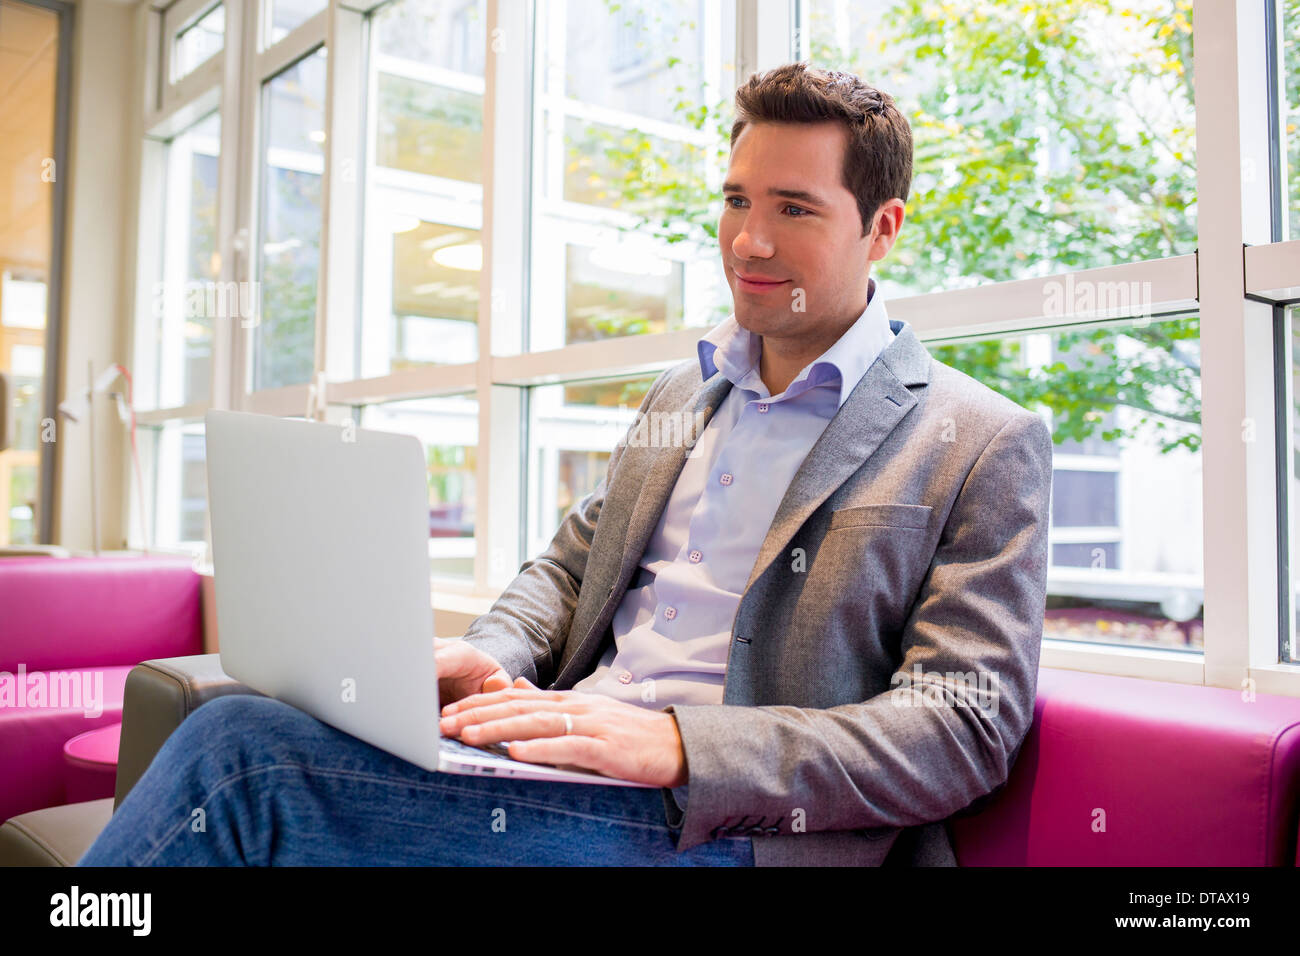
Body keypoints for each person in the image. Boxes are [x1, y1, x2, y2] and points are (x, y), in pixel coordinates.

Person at [79, 61, 1052, 867]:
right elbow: (568, 569)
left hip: (728, 823)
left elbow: (960, 725)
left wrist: (680, 742)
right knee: (254, 713)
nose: (748, 240)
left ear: (882, 226)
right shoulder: (686, 393)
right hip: (562, 758)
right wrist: (492, 653)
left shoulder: (979, 438)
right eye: (735, 199)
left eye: (794, 208)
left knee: (242, 756)